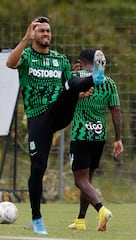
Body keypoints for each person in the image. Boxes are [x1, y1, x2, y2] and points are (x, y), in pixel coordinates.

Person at [6, 16, 106, 235]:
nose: (45, 34)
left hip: (59, 112)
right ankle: (36, 218)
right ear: (33, 34)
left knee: (70, 84)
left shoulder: (60, 60)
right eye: (41, 31)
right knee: (38, 167)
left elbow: (67, 89)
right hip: (38, 117)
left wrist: (79, 94)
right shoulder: (27, 56)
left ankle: (95, 78)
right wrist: (24, 38)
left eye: (48, 31)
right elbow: (10, 63)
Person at [68, 48, 123, 231]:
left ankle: (101, 210)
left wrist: (72, 72)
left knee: (79, 180)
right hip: (99, 135)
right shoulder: (110, 83)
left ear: (80, 61)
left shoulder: (76, 77)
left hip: (81, 134)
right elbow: (115, 111)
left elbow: (65, 93)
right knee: (87, 180)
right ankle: (80, 220)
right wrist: (118, 139)